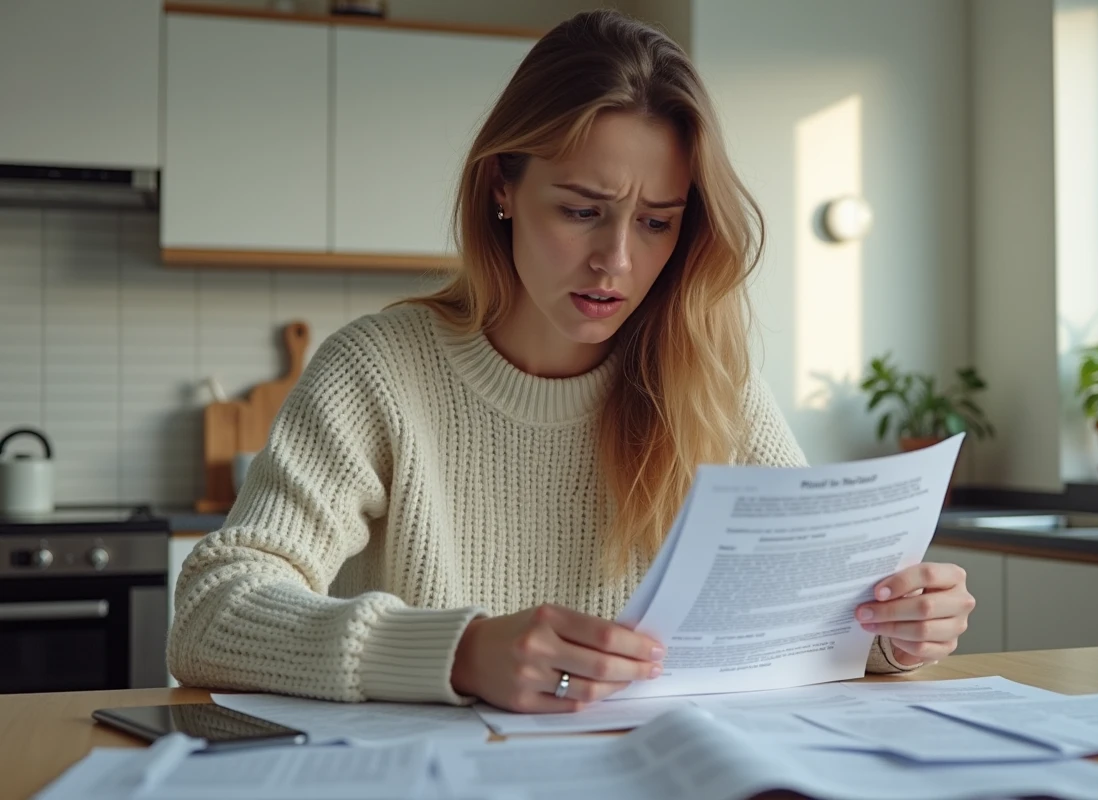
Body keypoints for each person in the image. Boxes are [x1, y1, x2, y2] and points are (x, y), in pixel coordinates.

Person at [168, 9, 975, 713]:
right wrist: (459, 652)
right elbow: (211, 615)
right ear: (502, 188)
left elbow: (802, 620)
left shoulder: (710, 379)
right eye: (582, 211)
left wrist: (896, 631)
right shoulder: (380, 371)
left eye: (657, 223)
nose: (615, 260)